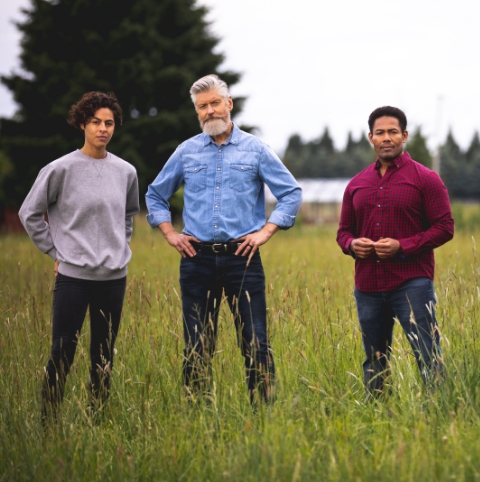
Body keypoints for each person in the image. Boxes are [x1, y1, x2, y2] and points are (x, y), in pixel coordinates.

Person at [146, 74, 301, 405]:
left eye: (215, 103)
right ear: (197, 112)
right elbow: (155, 195)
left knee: (255, 341)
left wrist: (267, 231)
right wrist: (170, 233)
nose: (210, 111)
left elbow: (291, 193)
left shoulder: (255, 149)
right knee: (197, 344)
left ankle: (264, 416)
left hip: (242, 259)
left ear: (229, 104)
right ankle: (197, 417)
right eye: (202, 106)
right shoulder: (186, 152)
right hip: (196, 260)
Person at [19, 92, 139, 420]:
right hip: (73, 278)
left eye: (109, 123)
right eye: (96, 122)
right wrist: (55, 251)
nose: (103, 129)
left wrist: (119, 248)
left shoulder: (126, 172)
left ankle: (97, 420)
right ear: (82, 123)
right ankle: (49, 422)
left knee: (103, 355)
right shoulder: (60, 169)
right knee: (62, 352)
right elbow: (29, 213)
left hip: (114, 278)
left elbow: (127, 216)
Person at [336, 106, 454, 398]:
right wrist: (352, 245)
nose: (386, 138)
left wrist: (403, 246)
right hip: (368, 285)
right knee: (374, 360)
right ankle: (377, 414)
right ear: (370, 138)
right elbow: (343, 233)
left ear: (404, 135)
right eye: (380, 133)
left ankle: (437, 410)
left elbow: (445, 227)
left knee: (428, 353)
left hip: (412, 281)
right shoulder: (357, 184)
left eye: (392, 132)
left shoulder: (426, 179)